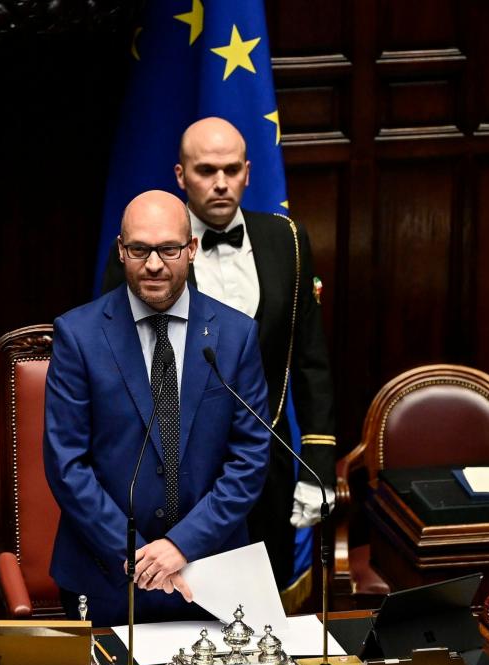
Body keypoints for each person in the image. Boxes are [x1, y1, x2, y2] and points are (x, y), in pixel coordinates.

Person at [102, 117, 348, 604]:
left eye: (231, 170)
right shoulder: (146, 250)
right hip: (176, 475)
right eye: (206, 170)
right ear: (180, 175)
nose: (220, 183)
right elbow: (120, 361)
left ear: (248, 172)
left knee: (262, 613)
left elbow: (310, 361)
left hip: (265, 464)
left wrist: (317, 464)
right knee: (180, 610)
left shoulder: (286, 240)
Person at [47, 189, 271, 626]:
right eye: (139, 250)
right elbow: (67, 464)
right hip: (107, 575)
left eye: (168, 249)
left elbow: (250, 458)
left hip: (210, 573)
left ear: (191, 249)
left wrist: (182, 545)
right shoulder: (78, 335)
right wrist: (135, 553)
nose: (153, 264)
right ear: (120, 250)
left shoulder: (236, 335)